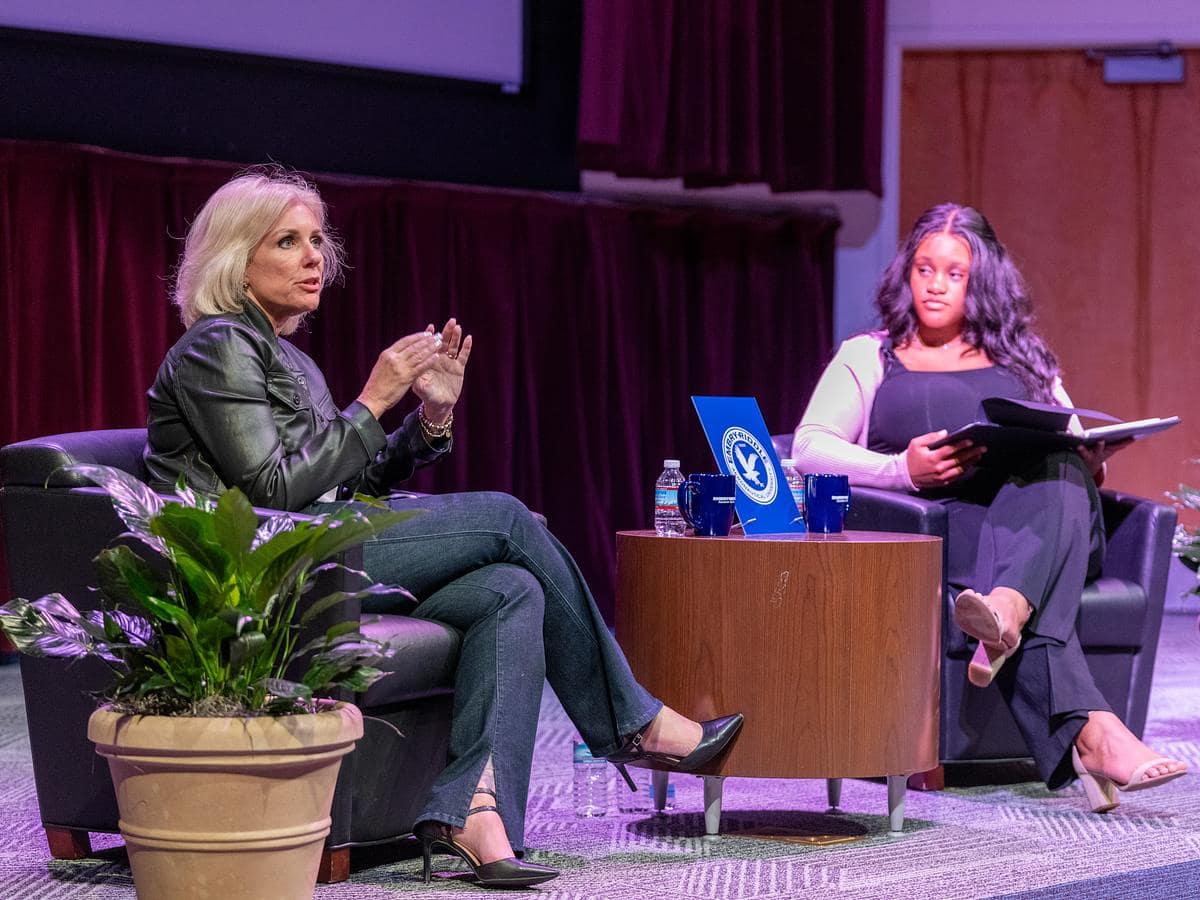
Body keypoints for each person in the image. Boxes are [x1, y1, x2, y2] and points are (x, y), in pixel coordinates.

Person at [143, 167, 743, 888]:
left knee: (511, 587)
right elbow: (272, 490)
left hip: (325, 549)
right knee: (506, 517)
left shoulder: (286, 356)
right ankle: (635, 724)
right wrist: (373, 399)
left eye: (317, 241)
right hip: (271, 576)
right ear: (236, 259)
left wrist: (427, 421)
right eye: (288, 242)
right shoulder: (216, 346)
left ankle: (476, 812)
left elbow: (343, 482)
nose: (315, 258)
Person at [791, 203, 1186, 813]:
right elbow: (810, 448)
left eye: (955, 273)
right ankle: (1093, 732)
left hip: (1051, 521)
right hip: (945, 534)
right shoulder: (870, 354)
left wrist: (1095, 459)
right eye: (925, 269)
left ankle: (1005, 610)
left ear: (983, 283)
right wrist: (900, 470)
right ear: (906, 274)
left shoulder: (1027, 358)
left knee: (1058, 466)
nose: (936, 284)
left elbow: (1074, 437)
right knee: (1036, 551)